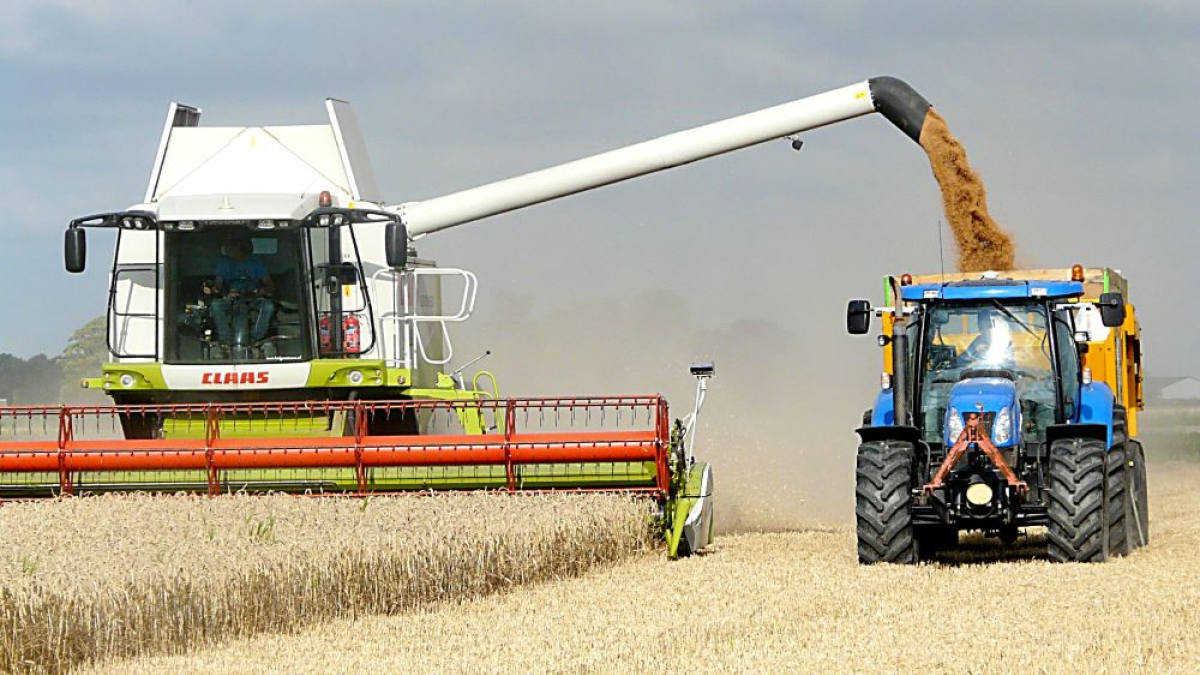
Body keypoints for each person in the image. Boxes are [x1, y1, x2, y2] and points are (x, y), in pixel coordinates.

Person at [207, 237, 275, 347]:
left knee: (268, 306)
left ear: (238, 246)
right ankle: (226, 341)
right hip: (231, 298)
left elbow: (270, 285)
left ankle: (256, 339)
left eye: (228, 246)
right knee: (215, 305)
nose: (225, 249)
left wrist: (259, 292)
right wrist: (222, 292)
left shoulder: (256, 262)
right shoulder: (223, 262)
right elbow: (218, 284)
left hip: (253, 298)